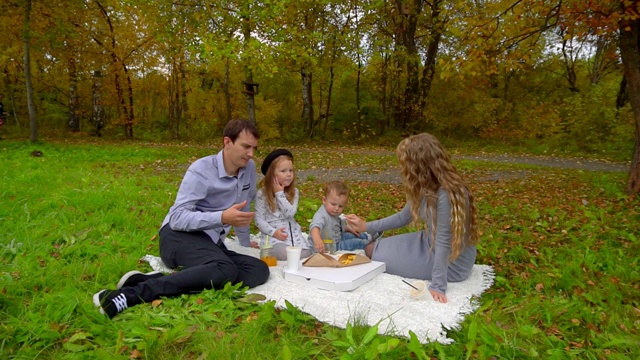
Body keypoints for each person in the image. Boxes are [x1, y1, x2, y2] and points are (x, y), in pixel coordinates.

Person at [93, 118, 270, 318]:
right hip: (177, 237)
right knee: (225, 269)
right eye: (246, 146)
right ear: (227, 142)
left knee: (258, 270)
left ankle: (153, 280)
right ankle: (128, 295)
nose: (251, 154)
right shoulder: (201, 170)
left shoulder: (248, 169)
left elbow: (242, 211)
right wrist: (221, 217)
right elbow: (177, 218)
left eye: (254, 148)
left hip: (210, 243)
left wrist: (245, 243)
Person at [345, 133, 479, 303]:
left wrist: (438, 285)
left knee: (376, 257)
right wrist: (365, 226)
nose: (403, 169)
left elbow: (444, 240)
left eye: (405, 163)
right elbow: (403, 217)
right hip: (428, 242)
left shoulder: (446, 193)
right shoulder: (424, 186)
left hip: (452, 260)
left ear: (418, 166)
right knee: (371, 249)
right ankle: (369, 236)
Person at [254, 149, 313, 260]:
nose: (289, 174)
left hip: (292, 234)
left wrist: (279, 194)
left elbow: (290, 213)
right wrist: (274, 232)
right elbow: (259, 220)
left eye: (291, 170)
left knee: (307, 253)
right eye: (283, 171)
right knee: (281, 252)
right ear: (271, 174)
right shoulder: (262, 194)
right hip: (273, 236)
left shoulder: (294, 192)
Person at [308, 181, 381, 252]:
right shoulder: (321, 215)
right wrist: (317, 240)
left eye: (341, 206)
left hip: (338, 237)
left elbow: (337, 225)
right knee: (355, 243)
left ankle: (368, 236)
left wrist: (348, 228)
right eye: (333, 204)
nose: (336, 208)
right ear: (324, 200)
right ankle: (369, 245)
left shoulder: (333, 212)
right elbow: (314, 227)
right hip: (332, 246)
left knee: (353, 235)